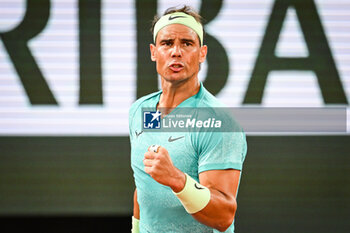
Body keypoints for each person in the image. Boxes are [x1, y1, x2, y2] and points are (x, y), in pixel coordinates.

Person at [129, 5, 247, 233]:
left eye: (187, 43)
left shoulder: (219, 123)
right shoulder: (140, 111)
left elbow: (223, 216)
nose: (176, 52)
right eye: (167, 43)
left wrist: (176, 179)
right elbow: (143, 185)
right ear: (153, 52)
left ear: (202, 53)